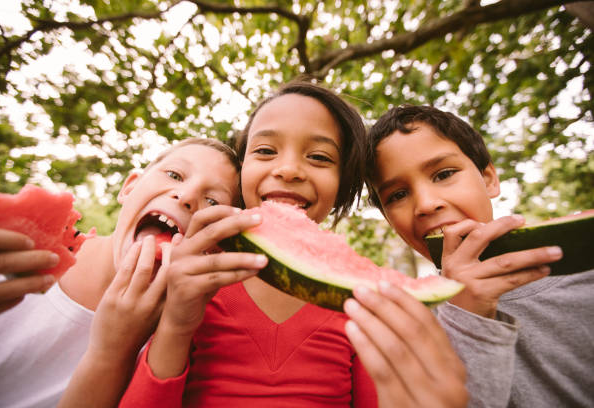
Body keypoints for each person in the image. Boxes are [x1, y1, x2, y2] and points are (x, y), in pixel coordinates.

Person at [118, 81, 468, 407]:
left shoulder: (362, 300)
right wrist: (177, 323)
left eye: (318, 157)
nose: (288, 170)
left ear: (342, 185)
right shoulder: (194, 277)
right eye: (266, 150)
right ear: (241, 174)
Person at [0, 138, 267, 407]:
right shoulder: (7, 258)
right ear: (130, 187)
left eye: (213, 201)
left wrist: (116, 351)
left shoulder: (170, 350)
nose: (187, 196)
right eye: (175, 175)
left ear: (215, 246)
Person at [366, 104, 594, 407]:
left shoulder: (582, 276)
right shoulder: (411, 332)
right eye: (397, 195)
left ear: (489, 179)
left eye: (444, 174)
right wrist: (466, 318)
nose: (425, 204)